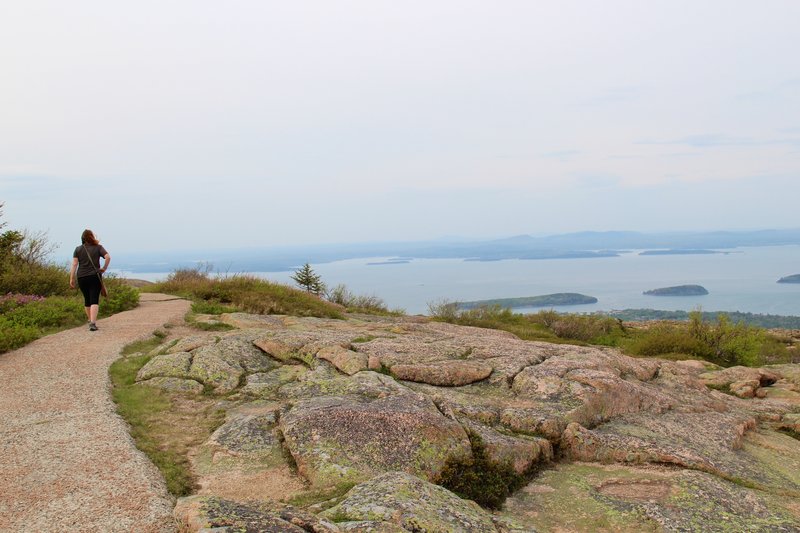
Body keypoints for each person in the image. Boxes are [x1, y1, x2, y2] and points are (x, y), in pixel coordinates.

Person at [69, 229, 110, 331]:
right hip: (94, 276)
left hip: (81, 277)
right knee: (94, 299)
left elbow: (74, 264)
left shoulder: (78, 249)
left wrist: (71, 278)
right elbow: (108, 257)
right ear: (92, 237)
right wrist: (104, 268)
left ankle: (90, 320)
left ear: (82, 238)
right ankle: (92, 323)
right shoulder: (98, 248)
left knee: (87, 299)